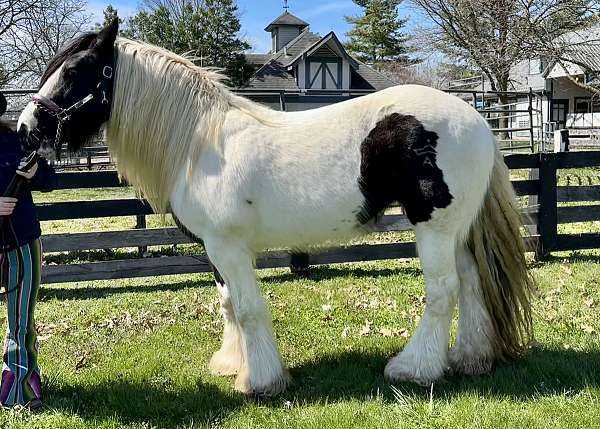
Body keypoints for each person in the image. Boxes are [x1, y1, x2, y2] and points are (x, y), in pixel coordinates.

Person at [0, 93, 56, 409]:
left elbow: (49, 180)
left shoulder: (17, 141)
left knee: (21, 319)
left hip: (22, 241)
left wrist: (37, 174)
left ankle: (18, 387)